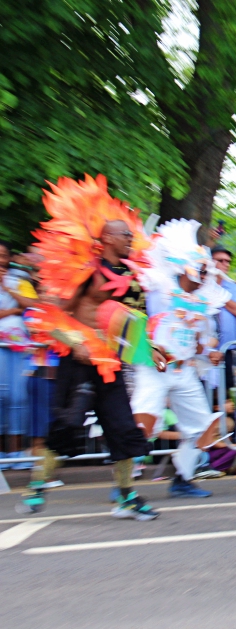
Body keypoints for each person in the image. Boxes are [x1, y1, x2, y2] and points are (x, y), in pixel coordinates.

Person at [19, 175, 158, 519]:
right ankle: (37, 487)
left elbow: (134, 321)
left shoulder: (131, 277)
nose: (130, 238)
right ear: (107, 237)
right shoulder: (86, 272)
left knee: (124, 428)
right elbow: (51, 315)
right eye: (125, 234)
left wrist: (150, 349)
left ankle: (127, 497)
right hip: (79, 361)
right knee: (67, 426)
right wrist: (74, 342)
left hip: (110, 362)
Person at [132, 219, 229, 499]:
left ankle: (182, 478)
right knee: (142, 425)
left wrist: (207, 352)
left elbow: (198, 343)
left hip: (184, 372)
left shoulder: (202, 303)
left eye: (206, 267)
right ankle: (123, 485)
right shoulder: (159, 285)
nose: (205, 270)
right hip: (154, 367)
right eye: (200, 265)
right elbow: (134, 313)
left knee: (204, 428)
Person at [0, 241, 34, 469]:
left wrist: (9, 288)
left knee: (18, 398)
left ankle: (16, 453)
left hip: (19, 346)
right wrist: (13, 310)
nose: (1, 259)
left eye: (3, 255)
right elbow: (17, 309)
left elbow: (33, 305)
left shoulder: (19, 279)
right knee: (1, 397)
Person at [211, 245, 236, 391]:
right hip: (206, 350)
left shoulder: (233, 286)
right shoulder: (199, 282)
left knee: (227, 391)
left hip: (228, 348)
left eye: (228, 261)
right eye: (221, 260)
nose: (226, 264)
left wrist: (216, 292)